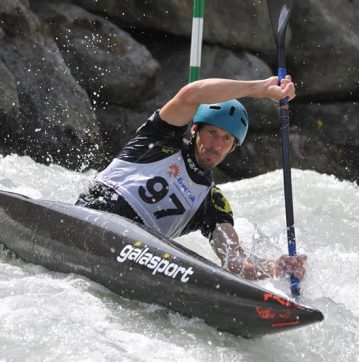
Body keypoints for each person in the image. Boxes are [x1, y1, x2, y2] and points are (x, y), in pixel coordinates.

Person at [76, 75, 306, 281]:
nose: (216, 145)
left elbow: (234, 261)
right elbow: (191, 95)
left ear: (232, 147)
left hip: (134, 253)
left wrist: (275, 268)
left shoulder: (212, 203)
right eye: (212, 132)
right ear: (195, 129)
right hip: (91, 215)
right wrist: (262, 88)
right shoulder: (160, 137)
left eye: (226, 139)